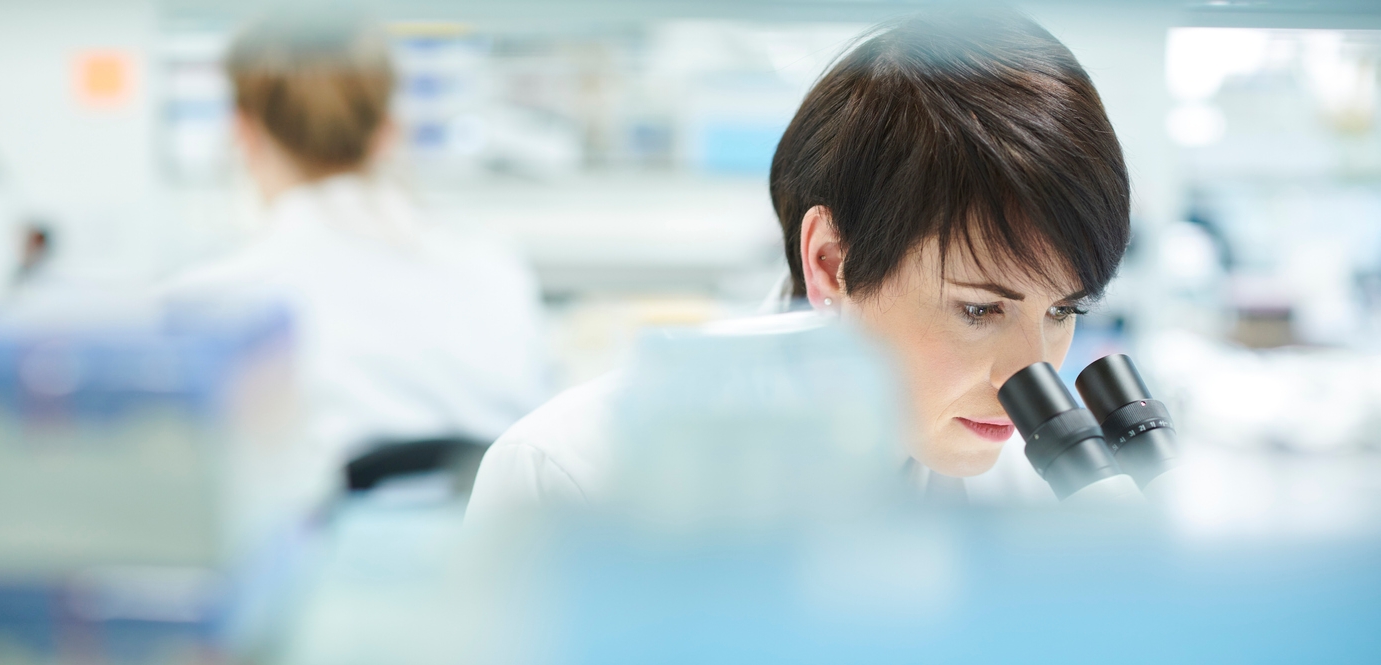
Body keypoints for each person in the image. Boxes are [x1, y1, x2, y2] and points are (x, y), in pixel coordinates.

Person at [466, 9, 1130, 520]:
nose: (1031, 373)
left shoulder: (1038, 498)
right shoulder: (574, 478)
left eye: (1063, 309)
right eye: (979, 309)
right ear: (831, 264)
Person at [165, 13, 550, 504]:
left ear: (243, 130)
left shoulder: (209, 306)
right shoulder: (495, 274)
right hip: (494, 572)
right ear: (387, 131)